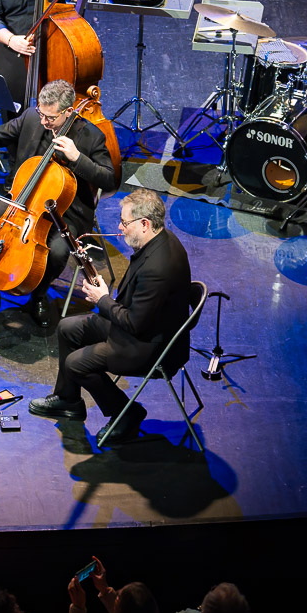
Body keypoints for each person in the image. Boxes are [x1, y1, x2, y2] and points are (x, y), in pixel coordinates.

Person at [0, 78, 119, 329]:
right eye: (41, 113)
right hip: (23, 201)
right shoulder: (31, 117)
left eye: (50, 118)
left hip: (66, 211)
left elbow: (109, 179)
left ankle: (37, 297)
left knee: (58, 251)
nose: (43, 122)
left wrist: (77, 158)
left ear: (69, 112)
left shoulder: (92, 136)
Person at [33, 188, 191, 444]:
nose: (119, 227)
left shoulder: (159, 267)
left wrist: (102, 299)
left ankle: (126, 412)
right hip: (140, 327)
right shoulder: (159, 238)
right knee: (67, 327)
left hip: (149, 345)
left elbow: (134, 323)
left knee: (76, 363)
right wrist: (106, 295)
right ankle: (68, 399)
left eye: (124, 222)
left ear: (144, 224)